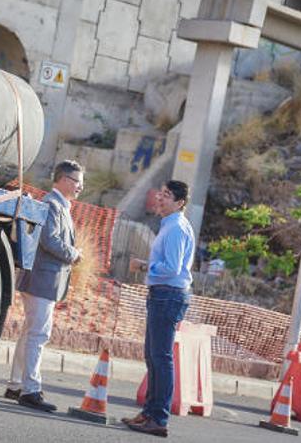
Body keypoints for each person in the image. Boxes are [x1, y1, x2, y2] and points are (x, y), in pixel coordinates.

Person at [4, 160, 84, 412]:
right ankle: (31, 390)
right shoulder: (52, 204)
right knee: (39, 334)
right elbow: (49, 239)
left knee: (30, 332)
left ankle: (16, 385)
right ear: (61, 179)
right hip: (42, 280)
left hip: (41, 279)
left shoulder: (61, 205)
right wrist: (74, 254)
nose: (80, 185)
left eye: (81, 181)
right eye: (76, 179)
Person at [123, 180, 195, 437]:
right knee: (153, 356)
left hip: (169, 295)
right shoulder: (170, 225)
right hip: (163, 294)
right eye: (160, 194)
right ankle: (149, 413)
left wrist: (143, 266)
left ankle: (158, 418)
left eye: (167, 196)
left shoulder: (175, 227)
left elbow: (172, 268)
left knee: (161, 358)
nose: (160, 199)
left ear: (179, 203)